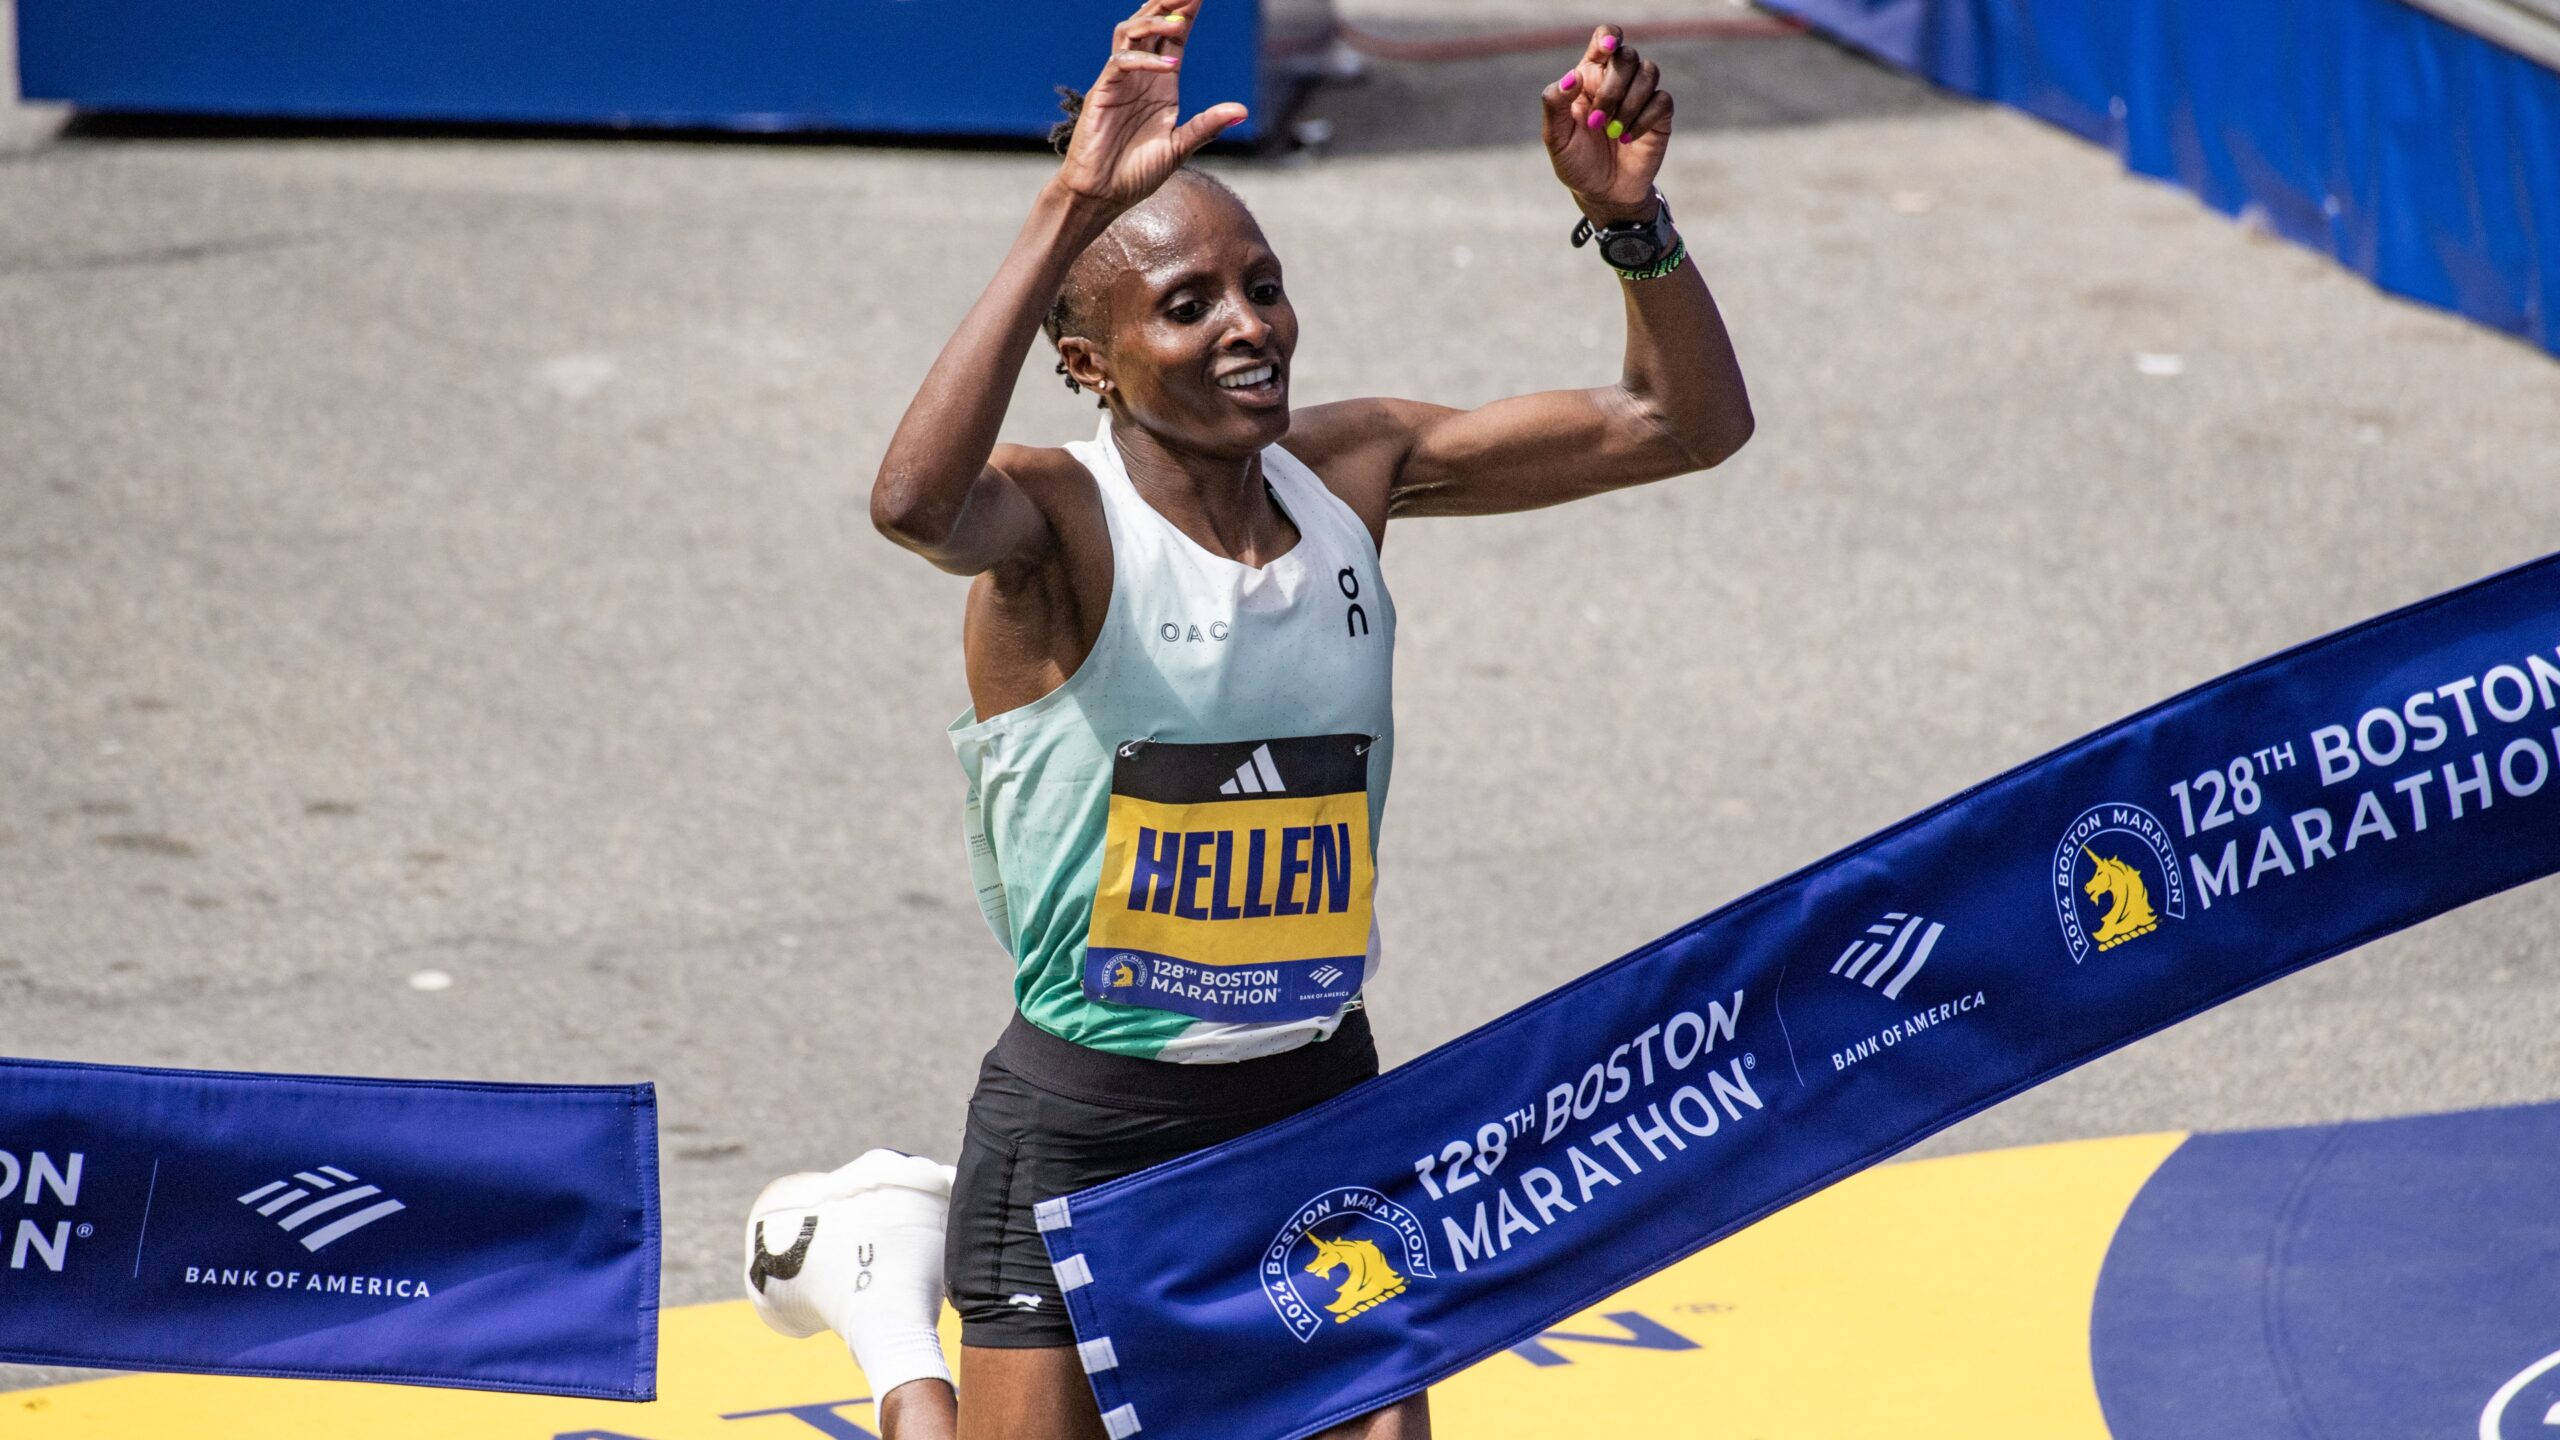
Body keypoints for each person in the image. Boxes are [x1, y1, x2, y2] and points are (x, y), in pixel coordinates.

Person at [744, 4, 1751, 1436]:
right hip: (1090, 1117)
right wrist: (1071, 206)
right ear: (1089, 364)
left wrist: (1632, 225)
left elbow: (1682, 425)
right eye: (1188, 305)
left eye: (1262, 285)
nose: (1250, 328)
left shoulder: (1356, 468)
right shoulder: (1060, 525)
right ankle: (881, 1295)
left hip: (1314, 1091)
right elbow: (911, 506)